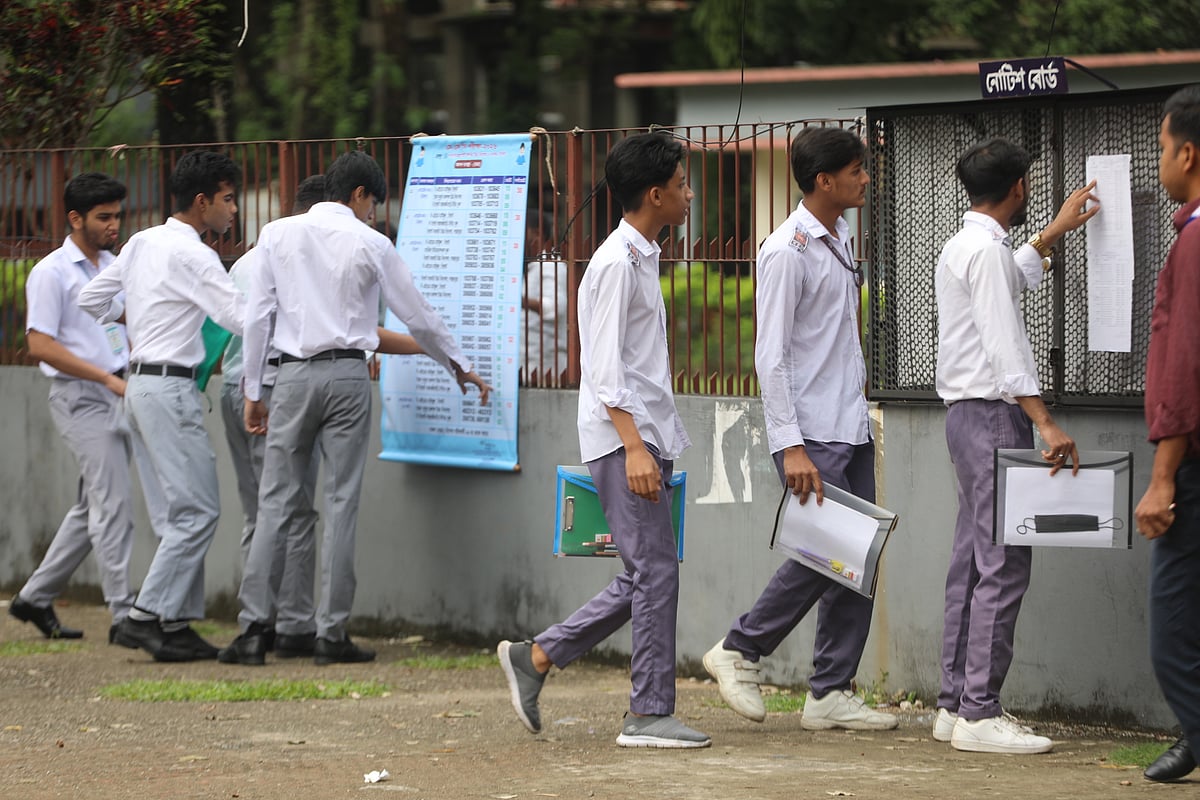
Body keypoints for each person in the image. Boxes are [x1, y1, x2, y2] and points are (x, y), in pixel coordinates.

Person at [222, 151, 489, 666]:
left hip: (293, 375)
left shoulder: (277, 234)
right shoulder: (372, 242)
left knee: (274, 500)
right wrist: (459, 365)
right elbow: (418, 314)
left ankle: (254, 630)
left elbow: (258, 318)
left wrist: (254, 389)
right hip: (348, 375)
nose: (373, 214)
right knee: (342, 502)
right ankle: (330, 634)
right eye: (373, 204)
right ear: (360, 195)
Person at [497, 132, 711, 749]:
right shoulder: (617, 263)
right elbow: (606, 367)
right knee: (655, 571)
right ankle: (647, 713)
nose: (688, 193)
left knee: (648, 571)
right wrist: (636, 446)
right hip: (625, 440)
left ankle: (536, 658)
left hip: (638, 435)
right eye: (681, 183)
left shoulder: (639, 255)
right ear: (654, 193)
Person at [701, 127, 898, 733]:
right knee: (824, 553)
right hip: (812, 430)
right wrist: (789, 444)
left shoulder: (837, 237)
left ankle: (830, 690)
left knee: (854, 555)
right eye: (856, 170)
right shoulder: (786, 249)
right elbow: (772, 355)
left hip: (849, 421)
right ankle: (740, 648)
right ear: (823, 180)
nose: (865, 178)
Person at [932, 138, 1098, 754]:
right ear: (1019, 187)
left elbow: (1003, 285)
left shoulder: (967, 243)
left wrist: (1052, 231)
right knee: (1005, 562)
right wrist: (1045, 422)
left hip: (965, 419)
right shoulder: (985, 250)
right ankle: (980, 711)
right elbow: (1005, 343)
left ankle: (954, 703)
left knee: (974, 561)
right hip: (997, 417)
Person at [79, 150, 245, 662]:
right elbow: (242, 319)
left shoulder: (142, 241)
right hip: (169, 390)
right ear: (202, 202)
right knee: (199, 510)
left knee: (182, 512)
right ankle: (145, 616)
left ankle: (174, 625)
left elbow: (91, 301)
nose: (234, 209)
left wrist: (137, 320)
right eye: (228, 198)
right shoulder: (194, 254)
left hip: (141, 386)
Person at [9, 173, 133, 643]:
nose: (113, 225)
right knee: (114, 505)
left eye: (117, 216)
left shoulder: (112, 264)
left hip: (118, 390)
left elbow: (125, 319)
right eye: (104, 217)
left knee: (92, 506)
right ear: (75, 218)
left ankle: (34, 598)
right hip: (82, 398)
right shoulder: (51, 272)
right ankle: (124, 618)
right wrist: (104, 377)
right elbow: (39, 344)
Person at [1135, 84, 1200, 784]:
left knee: (1172, 635)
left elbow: (1184, 369)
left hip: (1190, 466)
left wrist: (1162, 478)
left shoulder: (1195, 242)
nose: (1159, 159)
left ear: (1188, 151)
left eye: (1159, 147)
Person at [522, 210, 569, 386]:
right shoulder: (529, 266)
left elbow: (554, 308)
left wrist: (518, 301)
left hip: (547, 372)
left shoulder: (550, 266)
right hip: (524, 369)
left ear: (536, 233)